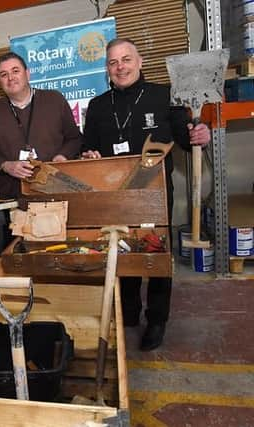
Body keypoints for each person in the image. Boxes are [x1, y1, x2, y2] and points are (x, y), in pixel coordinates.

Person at [81, 38, 211, 351]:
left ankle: (156, 320)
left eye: (126, 59)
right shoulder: (98, 106)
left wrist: (200, 136)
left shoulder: (165, 96)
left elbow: (186, 139)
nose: (120, 67)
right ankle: (128, 314)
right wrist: (89, 156)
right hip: (116, 197)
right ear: (107, 69)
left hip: (155, 196)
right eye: (113, 62)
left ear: (140, 63)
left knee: (156, 258)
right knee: (123, 253)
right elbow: (88, 146)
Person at [0, 51, 83, 199]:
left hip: (57, 189)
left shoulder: (54, 99)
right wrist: (6, 165)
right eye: (4, 74)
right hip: (14, 195)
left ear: (27, 74)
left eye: (15, 71)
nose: (10, 78)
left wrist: (63, 156)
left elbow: (74, 138)